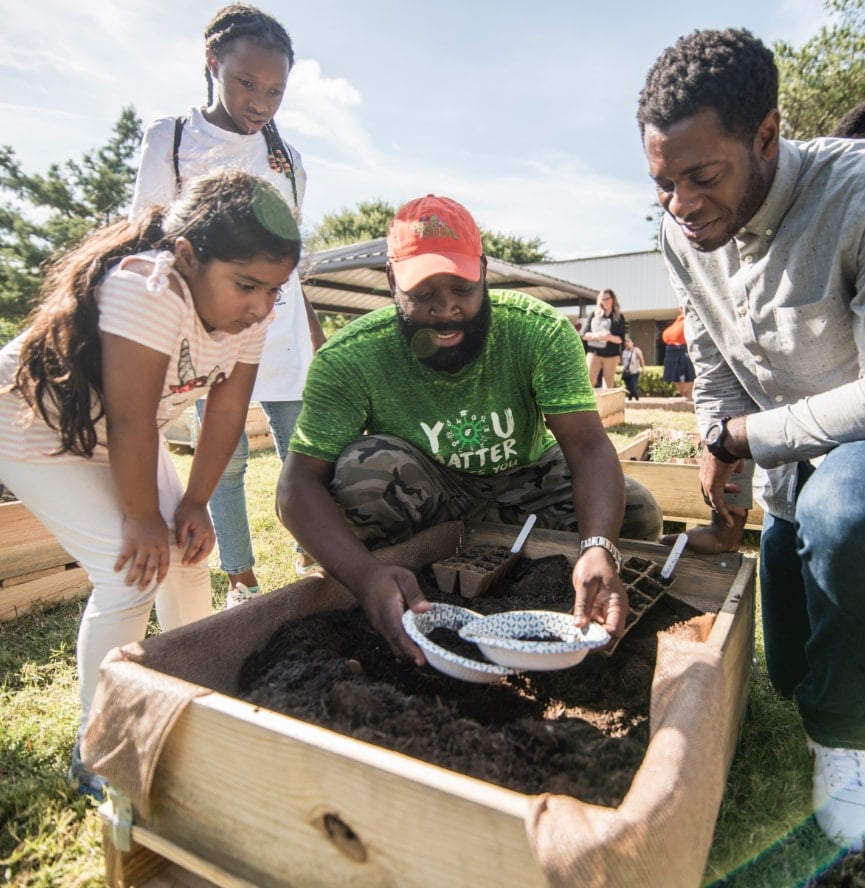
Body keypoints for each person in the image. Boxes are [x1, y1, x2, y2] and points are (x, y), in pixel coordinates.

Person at [637, 27, 865, 851]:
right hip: (787, 473)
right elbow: (711, 358)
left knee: (850, 515)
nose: (681, 205)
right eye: (664, 183)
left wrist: (743, 434)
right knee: (787, 674)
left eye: (703, 177)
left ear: (768, 135)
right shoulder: (681, 228)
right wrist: (718, 440)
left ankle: (852, 743)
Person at [0, 170, 302, 798]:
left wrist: (194, 502)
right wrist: (142, 518)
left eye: (274, 290)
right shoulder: (151, 285)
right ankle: (100, 745)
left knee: (188, 556)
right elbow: (135, 418)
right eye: (247, 285)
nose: (261, 305)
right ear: (187, 256)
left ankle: (196, 690)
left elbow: (223, 413)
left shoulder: (252, 312)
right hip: (32, 427)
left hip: (118, 431)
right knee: (130, 569)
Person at [276, 194, 663, 665]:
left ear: (482, 271)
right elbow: (296, 486)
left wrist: (597, 546)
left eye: (462, 288)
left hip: (521, 484)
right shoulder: (350, 357)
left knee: (636, 512)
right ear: (391, 281)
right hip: (428, 495)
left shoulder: (535, 332)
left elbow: (587, 448)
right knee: (364, 473)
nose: (445, 310)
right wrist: (363, 575)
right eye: (422, 294)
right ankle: (403, 581)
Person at [131, 4, 324, 608]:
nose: (261, 102)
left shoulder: (287, 159)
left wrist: (314, 331)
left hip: (279, 325)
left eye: (275, 90)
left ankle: (316, 549)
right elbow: (146, 236)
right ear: (212, 63)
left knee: (305, 449)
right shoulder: (172, 139)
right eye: (246, 83)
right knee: (228, 455)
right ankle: (240, 577)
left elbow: (294, 256)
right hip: (206, 327)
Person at [579, 288, 626, 388]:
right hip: (594, 353)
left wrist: (609, 337)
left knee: (608, 385)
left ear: (613, 299)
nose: (605, 301)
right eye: (603, 299)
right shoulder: (593, 315)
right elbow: (584, 335)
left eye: (608, 298)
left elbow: (621, 339)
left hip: (611, 355)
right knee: (588, 382)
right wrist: (598, 336)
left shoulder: (618, 317)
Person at [660, 310, 695, 401]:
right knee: (675, 375)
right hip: (672, 352)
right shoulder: (679, 320)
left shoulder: (690, 318)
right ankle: (685, 395)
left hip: (682, 350)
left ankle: (689, 395)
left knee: (686, 373)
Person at [620, 337, 645, 401]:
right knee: (628, 387)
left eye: (629, 342)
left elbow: (641, 359)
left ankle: (636, 396)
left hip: (635, 372)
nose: (627, 343)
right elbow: (622, 361)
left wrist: (643, 369)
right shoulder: (624, 352)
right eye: (626, 342)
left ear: (632, 343)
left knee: (633, 386)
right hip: (626, 372)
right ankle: (630, 398)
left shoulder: (636, 350)